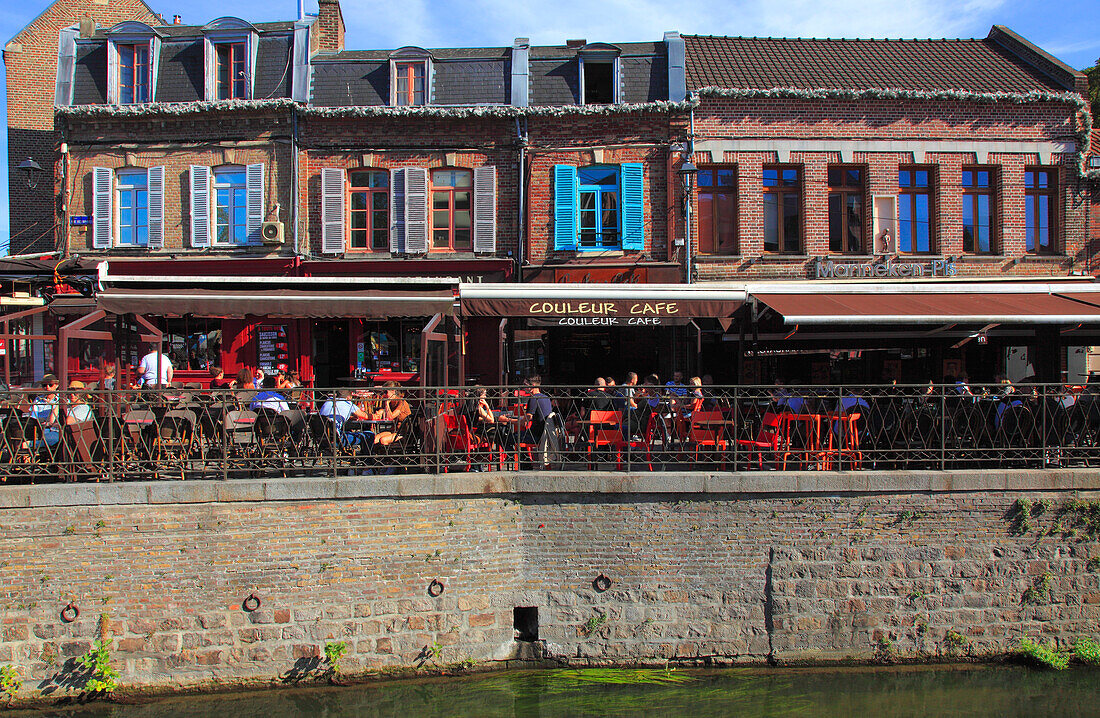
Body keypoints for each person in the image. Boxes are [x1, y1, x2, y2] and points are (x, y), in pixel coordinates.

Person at [25, 374, 61, 450]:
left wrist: (50, 423)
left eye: (50, 385)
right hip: (38, 428)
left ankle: (30, 445)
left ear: (56, 386)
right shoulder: (38, 399)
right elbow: (33, 416)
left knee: (51, 438)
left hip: (54, 429)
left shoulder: (61, 400)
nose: (47, 387)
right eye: (44, 385)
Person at [372, 381, 411, 448]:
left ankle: (389, 456)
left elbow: (390, 417)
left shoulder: (401, 402)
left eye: (386, 392)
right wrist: (379, 413)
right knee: (375, 439)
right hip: (393, 430)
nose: (384, 395)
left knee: (383, 440)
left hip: (402, 433)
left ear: (393, 391)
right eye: (383, 392)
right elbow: (383, 412)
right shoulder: (391, 402)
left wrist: (386, 403)